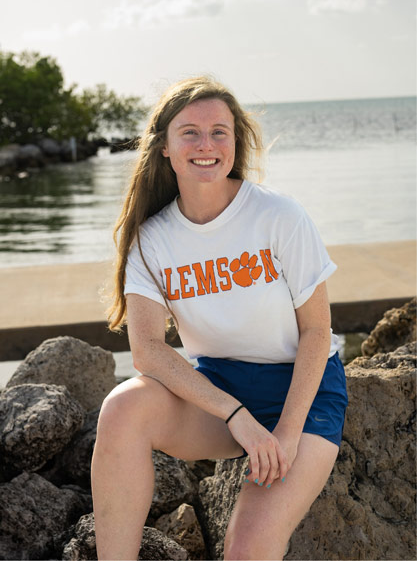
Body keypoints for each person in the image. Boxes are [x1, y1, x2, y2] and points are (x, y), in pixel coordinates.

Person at [91, 75, 348, 561]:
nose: (205, 144)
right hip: (220, 393)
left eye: (219, 132)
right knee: (122, 408)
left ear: (236, 142)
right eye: (189, 131)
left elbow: (317, 332)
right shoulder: (151, 237)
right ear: (165, 146)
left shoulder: (279, 217)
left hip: (302, 393)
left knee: (248, 548)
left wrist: (286, 435)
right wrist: (237, 417)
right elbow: (146, 350)